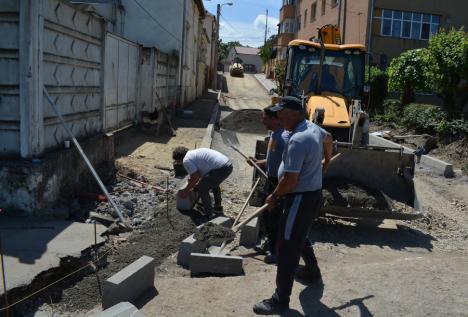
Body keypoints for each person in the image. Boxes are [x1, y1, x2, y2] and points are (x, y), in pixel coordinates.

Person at [253, 96, 333, 315]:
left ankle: (280, 300)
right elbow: (329, 138)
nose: (278, 117)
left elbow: (289, 181)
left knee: (287, 247)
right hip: (310, 195)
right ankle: (312, 272)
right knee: (298, 235)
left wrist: (274, 196)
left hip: (298, 196)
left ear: (296, 114)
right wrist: (327, 160)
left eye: (282, 113)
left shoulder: (299, 139)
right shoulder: (313, 128)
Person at [248, 105, 288, 264]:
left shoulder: (283, 138)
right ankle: (270, 244)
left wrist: (280, 190)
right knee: (266, 215)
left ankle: (276, 252)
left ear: (275, 119)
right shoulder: (273, 135)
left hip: (277, 182)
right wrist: (259, 162)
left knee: (275, 219)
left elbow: (288, 164)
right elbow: (273, 159)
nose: (262, 120)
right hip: (269, 179)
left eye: (265, 117)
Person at [173, 147, 233, 218]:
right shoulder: (193, 153)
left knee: (202, 188)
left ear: (179, 158)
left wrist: (186, 190)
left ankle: (209, 215)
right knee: (213, 183)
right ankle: (218, 207)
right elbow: (199, 173)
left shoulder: (186, 160)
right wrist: (193, 183)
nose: (177, 163)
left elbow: (195, 177)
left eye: (177, 161)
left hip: (221, 168)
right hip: (227, 164)